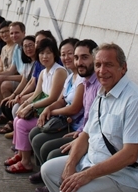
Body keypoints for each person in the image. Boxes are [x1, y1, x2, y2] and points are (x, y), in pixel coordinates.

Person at [41, 43, 138, 192]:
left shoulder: (136, 100)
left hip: (123, 176)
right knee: (48, 170)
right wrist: (70, 166)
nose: (102, 71)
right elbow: (86, 134)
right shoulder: (102, 94)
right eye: (98, 65)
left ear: (123, 67)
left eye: (108, 64)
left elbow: (130, 154)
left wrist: (86, 175)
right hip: (91, 162)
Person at [29, 39, 99, 192]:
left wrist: (81, 133)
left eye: (84, 57)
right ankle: (48, 177)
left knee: (48, 147)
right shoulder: (78, 79)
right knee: (35, 134)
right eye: (67, 55)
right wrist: (48, 109)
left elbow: (75, 110)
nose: (71, 59)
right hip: (79, 129)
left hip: (75, 127)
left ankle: (55, 182)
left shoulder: (90, 83)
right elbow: (61, 100)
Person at [4, 38, 68, 174]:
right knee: (17, 118)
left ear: (55, 54)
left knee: (22, 124)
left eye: (48, 53)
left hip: (51, 111)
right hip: (41, 107)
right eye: (41, 53)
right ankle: (21, 154)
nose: (44, 56)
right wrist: (25, 104)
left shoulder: (60, 71)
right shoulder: (44, 72)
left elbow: (52, 98)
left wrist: (31, 107)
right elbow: (37, 93)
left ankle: (26, 162)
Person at [0, 35, 37, 135]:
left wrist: (20, 96)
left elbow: (33, 84)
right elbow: (25, 81)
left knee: (15, 107)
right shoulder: (28, 62)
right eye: (25, 46)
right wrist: (14, 95)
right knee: (7, 104)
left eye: (31, 45)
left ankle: (16, 130)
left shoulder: (39, 64)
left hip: (35, 94)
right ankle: (14, 126)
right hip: (30, 92)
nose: (28, 49)